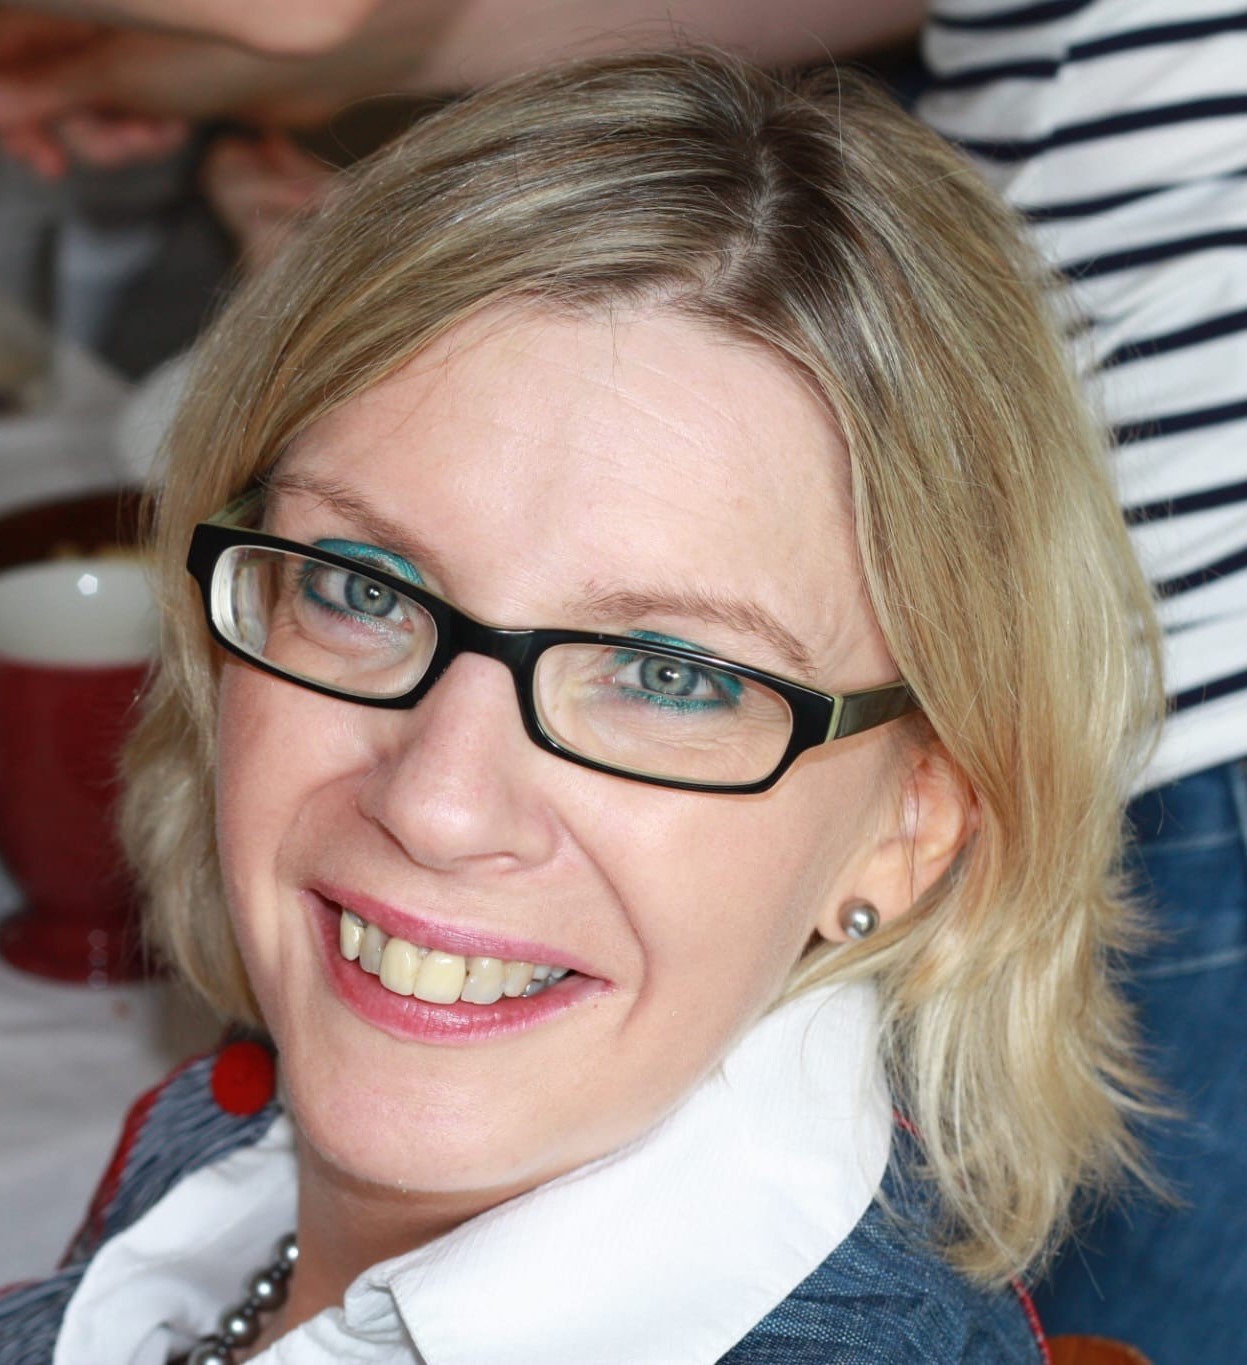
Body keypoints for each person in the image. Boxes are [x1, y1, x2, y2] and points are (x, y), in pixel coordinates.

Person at [0, 49, 1162, 1362]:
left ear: (915, 819)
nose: (437, 802)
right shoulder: (231, 1139)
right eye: (365, 588)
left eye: (671, 674)